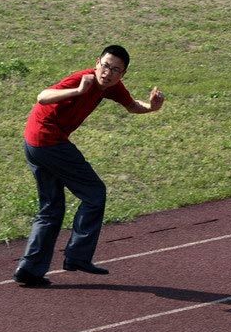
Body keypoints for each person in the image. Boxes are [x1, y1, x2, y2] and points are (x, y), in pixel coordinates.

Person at [13, 45, 165, 286]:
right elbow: (42, 97)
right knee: (95, 193)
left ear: (122, 74)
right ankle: (77, 256)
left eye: (116, 70)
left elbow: (131, 105)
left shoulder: (112, 86)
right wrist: (76, 90)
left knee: (51, 207)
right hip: (48, 141)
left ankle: (29, 269)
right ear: (97, 63)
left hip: (33, 142)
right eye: (105, 66)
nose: (108, 73)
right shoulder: (82, 79)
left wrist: (151, 108)